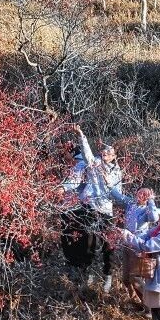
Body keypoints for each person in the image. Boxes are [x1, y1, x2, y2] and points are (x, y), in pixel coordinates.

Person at [60, 125, 131, 293]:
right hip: (91, 208)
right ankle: (88, 274)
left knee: (109, 245)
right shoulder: (94, 164)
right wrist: (81, 135)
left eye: (108, 152)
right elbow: (86, 154)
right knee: (88, 243)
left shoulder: (117, 172)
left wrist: (110, 186)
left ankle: (108, 275)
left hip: (106, 210)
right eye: (103, 151)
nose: (104, 153)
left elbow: (118, 195)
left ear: (114, 156)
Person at [122, 187, 158, 305]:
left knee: (136, 278)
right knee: (126, 279)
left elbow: (154, 218)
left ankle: (148, 305)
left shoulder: (147, 209)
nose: (141, 196)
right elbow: (115, 195)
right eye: (140, 193)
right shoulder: (130, 204)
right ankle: (134, 301)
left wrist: (151, 201)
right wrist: (106, 180)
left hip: (139, 246)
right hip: (126, 244)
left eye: (145, 195)